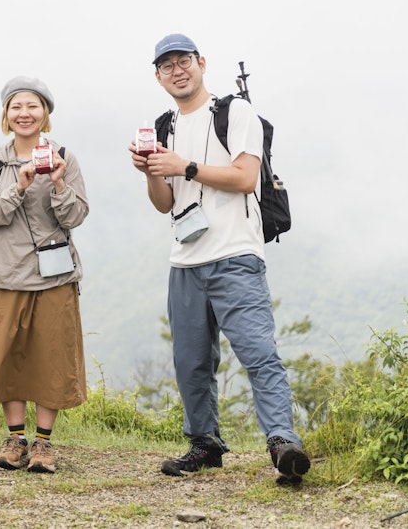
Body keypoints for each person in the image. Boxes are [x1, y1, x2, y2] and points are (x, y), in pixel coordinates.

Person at [130, 33, 310, 484]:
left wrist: (183, 166)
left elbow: (246, 178)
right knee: (191, 363)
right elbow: (162, 202)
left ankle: (281, 442)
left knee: (258, 353)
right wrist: (152, 170)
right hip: (185, 259)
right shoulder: (164, 124)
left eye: (184, 60)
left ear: (201, 63)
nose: (177, 70)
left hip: (235, 256)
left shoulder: (235, 112)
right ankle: (204, 444)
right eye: (167, 65)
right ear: (158, 77)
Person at [0, 76, 89, 473]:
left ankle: (43, 444)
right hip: (4, 274)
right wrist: (18, 187)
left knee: (51, 358)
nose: (24, 114)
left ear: (46, 114)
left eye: (33, 106)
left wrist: (57, 183)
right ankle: (15, 439)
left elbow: (76, 215)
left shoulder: (64, 158)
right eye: (16, 107)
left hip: (54, 277)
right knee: (7, 357)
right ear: (5, 114)